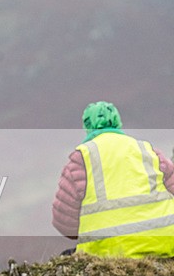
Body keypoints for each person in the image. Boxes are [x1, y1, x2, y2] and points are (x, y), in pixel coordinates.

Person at [52, 101, 174, 257]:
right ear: (118, 122)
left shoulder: (81, 159)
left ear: (87, 126)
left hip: (107, 250)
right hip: (164, 244)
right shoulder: (148, 151)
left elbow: (65, 225)